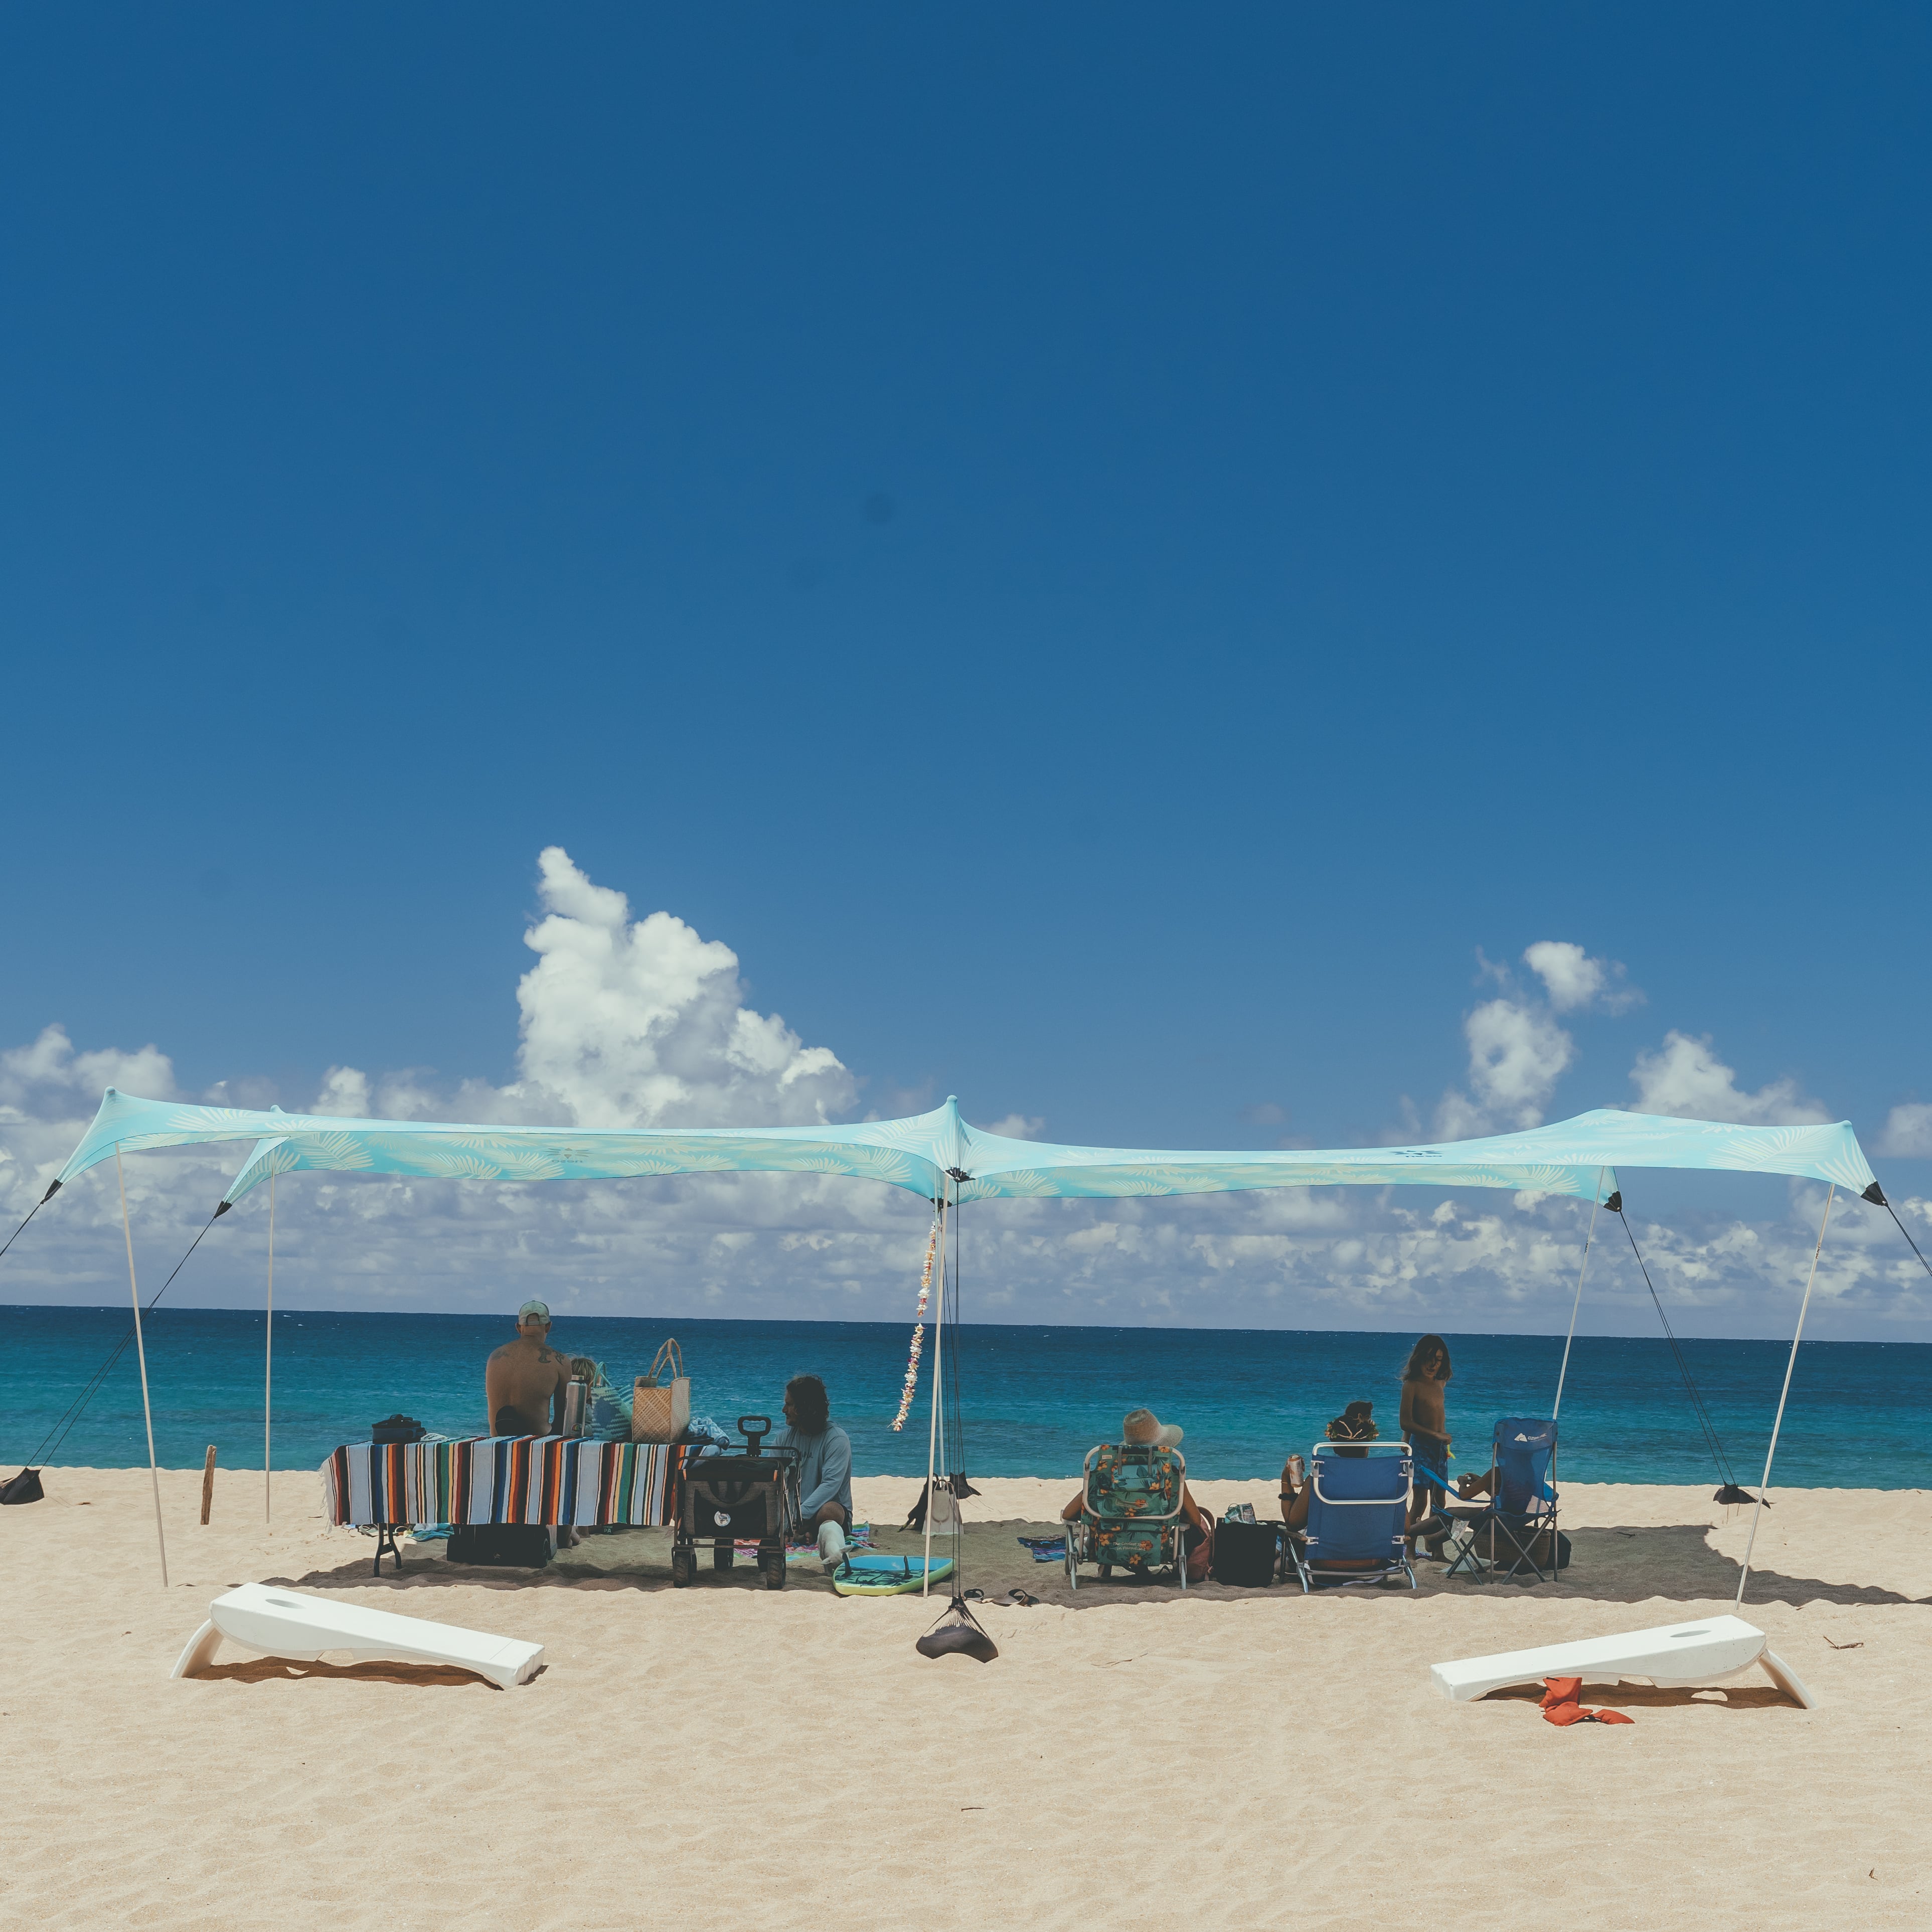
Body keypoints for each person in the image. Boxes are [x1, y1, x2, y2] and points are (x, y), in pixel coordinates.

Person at [1062, 1408, 1214, 1582]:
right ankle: (1141, 1559)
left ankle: (1108, 1561)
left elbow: (1068, 1515)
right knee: (1161, 1520)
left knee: (1106, 1518)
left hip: (1107, 1545)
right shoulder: (1170, 1476)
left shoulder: (1107, 1474)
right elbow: (1195, 1519)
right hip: (1154, 1546)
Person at [769, 1374, 854, 1574]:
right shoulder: (784, 1438)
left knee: (830, 1511)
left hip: (823, 1513)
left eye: (789, 1405)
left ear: (803, 1408)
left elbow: (830, 1486)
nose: (784, 1410)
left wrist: (797, 1519)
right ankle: (805, 1534)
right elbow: (770, 1478)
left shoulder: (836, 1439)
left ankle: (831, 1553)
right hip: (791, 1514)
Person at [484, 1300, 579, 1436]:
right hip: (537, 1442)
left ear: (518, 1327)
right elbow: (564, 1418)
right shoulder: (560, 1361)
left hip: (497, 1442)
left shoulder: (495, 1357)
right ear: (548, 1327)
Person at [1399, 1335, 1455, 1559]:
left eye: (1439, 1360)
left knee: (1440, 1501)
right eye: (1429, 1359)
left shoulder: (1440, 1383)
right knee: (1420, 1501)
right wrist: (1410, 1439)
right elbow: (1406, 1421)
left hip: (1440, 1450)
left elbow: (1435, 1416)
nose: (1433, 1365)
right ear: (1419, 1358)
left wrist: (1440, 1438)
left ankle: (1437, 1549)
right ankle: (1410, 1549)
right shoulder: (1411, 1385)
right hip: (1422, 1448)